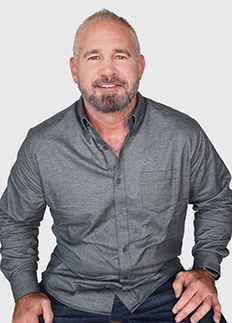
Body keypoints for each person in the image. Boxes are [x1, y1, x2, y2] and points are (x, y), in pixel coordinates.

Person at [0, 9, 231, 323]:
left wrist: (205, 269)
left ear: (140, 66)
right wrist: (25, 291)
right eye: (93, 57)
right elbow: (15, 222)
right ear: (74, 69)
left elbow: (216, 199)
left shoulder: (182, 135)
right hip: (68, 298)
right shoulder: (41, 145)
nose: (107, 71)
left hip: (165, 292)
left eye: (120, 56)